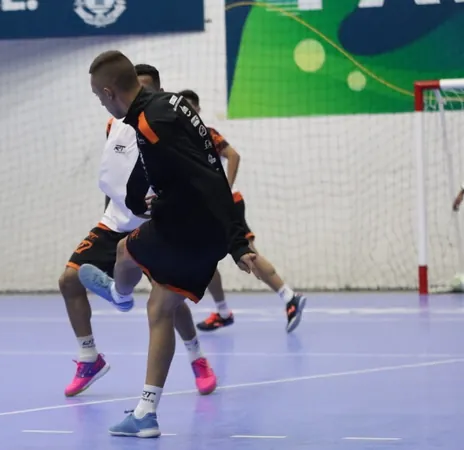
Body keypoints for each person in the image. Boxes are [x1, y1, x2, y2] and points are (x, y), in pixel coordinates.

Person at [84, 50, 263, 438]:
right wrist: (233, 239)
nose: (102, 105)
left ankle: (118, 293)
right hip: (206, 231)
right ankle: (146, 413)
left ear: (110, 91)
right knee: (161, 308)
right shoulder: (173, 104)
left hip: (186, 226)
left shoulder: (150, 123)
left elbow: (200, 178)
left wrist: (159, 204)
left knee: (122, 252)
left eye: (100, 99)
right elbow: (207, 169)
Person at [59, 64, 216, 398]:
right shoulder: (113, 123)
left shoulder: (163, 129)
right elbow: (114, 173)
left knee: (168, 303)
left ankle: (197, 358)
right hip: (116, 220)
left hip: (154, 225)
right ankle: (89, 358)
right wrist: (110, 214)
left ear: (154, 91)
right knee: (69, 280)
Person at [177, 90, 307, 333]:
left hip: (226, 205)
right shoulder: (179, 139)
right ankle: (223, 311)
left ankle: (289, 297)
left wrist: (225, 188)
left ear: (197, 110)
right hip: (203, 209)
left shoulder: (205, 133)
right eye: (184, 107)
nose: (188, 111)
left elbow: (233, 155)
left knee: (247, 253)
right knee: (204, 259)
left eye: (192, 107)